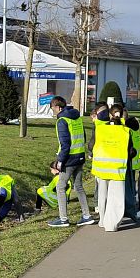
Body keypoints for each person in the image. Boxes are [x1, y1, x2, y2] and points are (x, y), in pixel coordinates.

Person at [48, 96, 94, 228]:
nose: (53, 111)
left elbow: (65, 144)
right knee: (78, 186)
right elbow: (83, 136)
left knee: (60, 187)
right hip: (80, 156)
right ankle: (87, 216)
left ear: (58, 107)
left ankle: (63, 219)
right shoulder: (77, 118)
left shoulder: (62, 121)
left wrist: (59, 162)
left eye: (53, 108)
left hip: (69, 159)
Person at [91, 108, 134, 231]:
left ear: (109, 115)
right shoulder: (126, 131)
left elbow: (91, 145)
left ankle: (102, 220)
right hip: (117, 168)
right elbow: (130, 150)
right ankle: (112, 224)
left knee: (102, 195)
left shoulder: (100, 128)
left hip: (102, 167)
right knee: (115, 197)